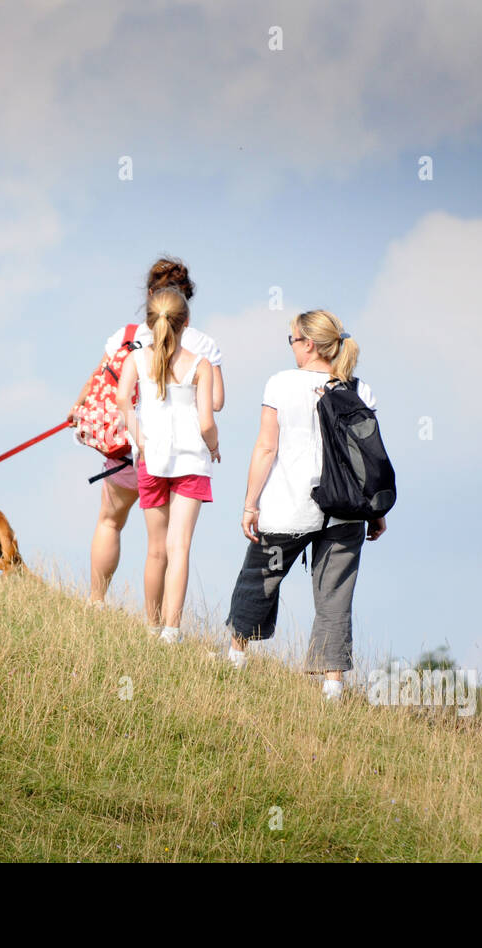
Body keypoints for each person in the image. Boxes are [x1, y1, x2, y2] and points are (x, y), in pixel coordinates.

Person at [225, 310, 384, 698]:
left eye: (292, 340)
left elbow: (266, 448)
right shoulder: (361, 390)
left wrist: (250, 503)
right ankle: (333, 686)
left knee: (260, 577)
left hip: (288, 509)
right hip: (346, 511)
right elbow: (372, 459)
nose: (291, 347)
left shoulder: (281, 384)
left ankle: (235, 658)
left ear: (308, 344)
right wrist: (375, 512)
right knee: (335, 595)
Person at [69, 257, 225, 611]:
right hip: (181, 456)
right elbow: (215, 403)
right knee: (170, 546)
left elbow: (100, 381)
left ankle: (96, 602)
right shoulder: (202, 345)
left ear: (151, 296)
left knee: (110, 521)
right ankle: (159, 625)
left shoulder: (127, 336)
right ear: (186, 305)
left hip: (129, 448)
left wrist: (77, 410)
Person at [114, 286, 219, 642]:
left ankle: (152, 625)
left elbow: (123, 401)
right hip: (190, 463)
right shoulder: (200, 365)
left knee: (155, 550)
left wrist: (138, 437)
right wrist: (214, 445)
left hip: (152, 461)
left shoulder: (136, 360)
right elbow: (206, 421)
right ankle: (172, 631)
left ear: (150, 321)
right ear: (185, 322)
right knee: (179, 548)